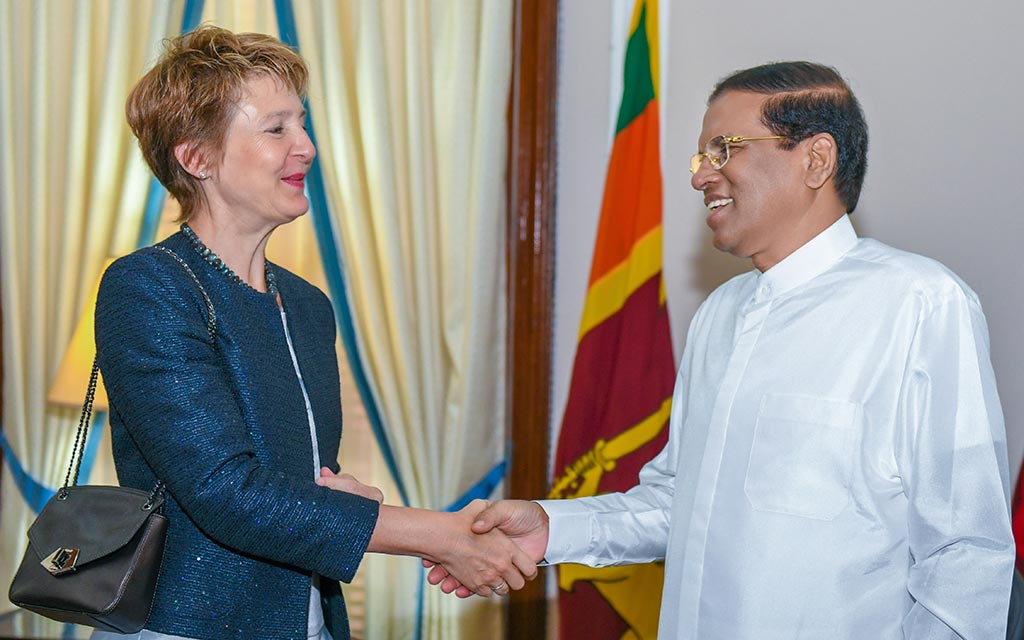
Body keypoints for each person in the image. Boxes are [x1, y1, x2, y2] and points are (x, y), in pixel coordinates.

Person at [431, 61, 1016, 638]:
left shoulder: (920, 303)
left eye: (724, 148)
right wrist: (550, 529)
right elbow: (678, 504)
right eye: (701, 156)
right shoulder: (719, 314)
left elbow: (964, 550)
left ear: (815, 160)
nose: (700, 176)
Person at [93, 26, 533, 640]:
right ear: (197, 158)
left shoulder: (306, 305)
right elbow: (228, 494)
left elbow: (298, 483)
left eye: (302, 124)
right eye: (276, 128)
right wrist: (435, 533)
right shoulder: (147, 287)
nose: (305, 146)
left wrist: (352, 495)